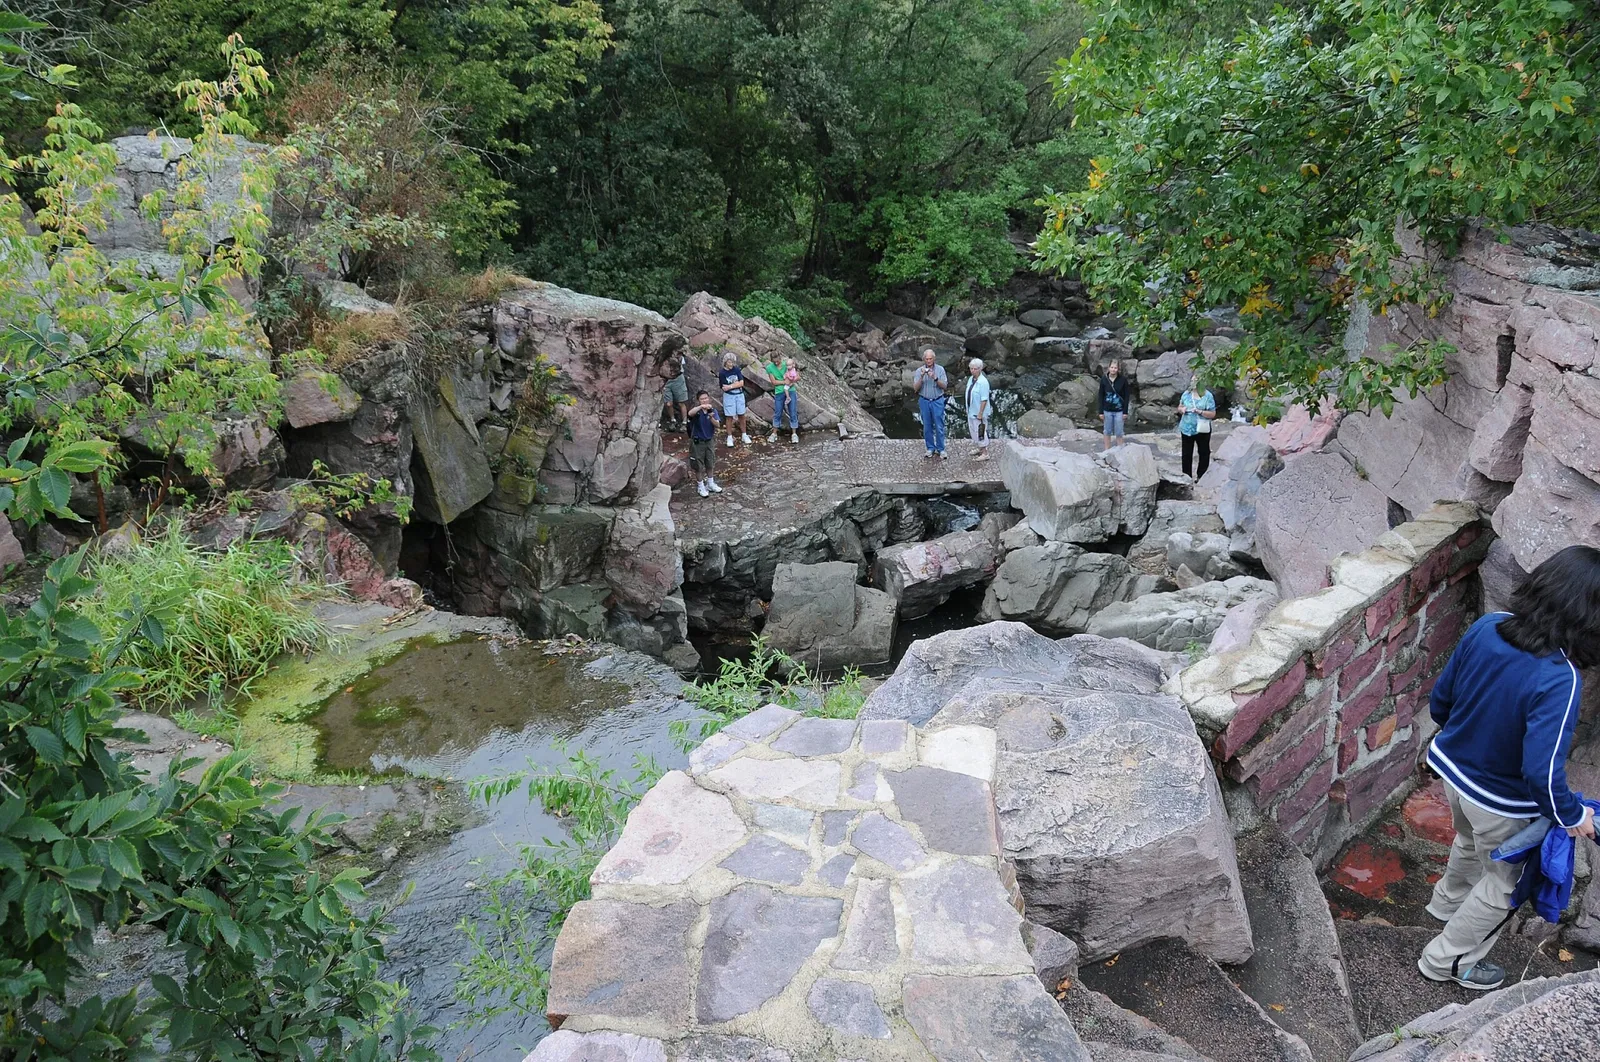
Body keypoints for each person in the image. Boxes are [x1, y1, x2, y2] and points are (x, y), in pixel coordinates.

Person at [1418, 545, 1600, 991]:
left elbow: (1442, 700)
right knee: (1504, 885)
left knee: (1466, 840)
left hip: (1453, 774)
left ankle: (1445, 905)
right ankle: (1447, 962)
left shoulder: (1488, 625)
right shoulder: (1560, 678)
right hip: (1499, 801)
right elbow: (1542, 771)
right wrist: (1571, 814)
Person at [1177, 373, 1216, 480]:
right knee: (1186, 454)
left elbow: (1212, 414)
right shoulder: (1186, 394)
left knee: (1204, 452)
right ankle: (1186, 477)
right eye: (1192, 380)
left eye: (1196, 381)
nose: (1193, 383)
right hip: (1186, 428)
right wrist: (1182, 410)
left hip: (1202, 429)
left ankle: (1201, 476)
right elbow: (1179, 406)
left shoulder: (1208, 396)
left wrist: (1200, 412)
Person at [685, 390, 724, 498]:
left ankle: (710, 483)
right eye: (702, 399)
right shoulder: (697, 411)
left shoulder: (713, 411)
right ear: (698, 400)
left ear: (709, 398)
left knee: (710, 462)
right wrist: (701, 407)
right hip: (698, 441)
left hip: (709, 440)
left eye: (706, 398)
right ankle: (700, 486)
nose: (705, 400)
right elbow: (690, 413)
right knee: (698, 465)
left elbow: (717, 425)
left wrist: (711, 417)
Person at [912, 348, 949, 459]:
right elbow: (915, 388)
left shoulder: (940, 369)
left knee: (939, 425)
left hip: (937, 400)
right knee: (927, 426)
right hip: (924, 401)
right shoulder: (919, 370)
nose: (928, 361)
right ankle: (930, 448)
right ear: (924, 359)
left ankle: (941, 449)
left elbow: (944, 386)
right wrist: (922, 377)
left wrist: (935, 378)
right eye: (927, 359)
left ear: (934, 359)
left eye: (930, 359)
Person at [766, 355, 801, 444]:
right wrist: (784, 382)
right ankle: (774, 433)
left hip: (791, 390)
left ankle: (794, 434)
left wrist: (791, 381)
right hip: (779, 392)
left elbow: (797, 377)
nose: (776, 363)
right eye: (774, 361)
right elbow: (774, 382)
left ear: (780, 358)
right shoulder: (769, 368)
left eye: (777, 361)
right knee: (778, 412)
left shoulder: (787, 364)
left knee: (793, 411)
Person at [719, 352, 751, 447]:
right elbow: (724, 387)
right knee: (729, 416)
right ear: (725, 362)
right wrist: (734, 385)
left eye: (733, 362)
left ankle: (744, 434)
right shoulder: (722, 373)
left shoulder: (736, 369)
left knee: (742, 414)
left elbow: (741, 383)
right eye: (729, 362)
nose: (731, 364)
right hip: (729, 396)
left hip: (739, 394)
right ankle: (729, 437)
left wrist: (731, 386)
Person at [1098, 360, 1130, 450]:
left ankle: (1120, 450)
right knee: (1107, 431)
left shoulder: (1123, 380)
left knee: (1119, 432)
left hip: (1119, 411)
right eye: (1112, 367)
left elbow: (1127, 396)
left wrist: (1125, 412)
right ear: (1109, 368)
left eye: (1115, 368)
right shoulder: (1104, 379)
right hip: (1107, 410)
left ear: (1118, 369)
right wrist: (1100, 411)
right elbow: (1100, 395)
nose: (1113, 369)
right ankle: (1106, 450)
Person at [965, 358, 992, 459]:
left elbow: (984, 399)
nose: (972, 371)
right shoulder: (971, 379)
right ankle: (980, 448)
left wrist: (980, 413)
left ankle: (985, 453)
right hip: (971, 410)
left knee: (980, 431)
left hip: (978, 412)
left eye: (975, 369)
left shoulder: (983, 382)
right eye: (971, 368)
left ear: (980, 369)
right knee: (973, 430)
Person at [661, 349, 689, 432]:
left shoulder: (679, 355)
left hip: (678, 378)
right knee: (668, 403)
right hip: (666, 379)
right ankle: (673, 420)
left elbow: (680, 364)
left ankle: (684, 422)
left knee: (681, 402)